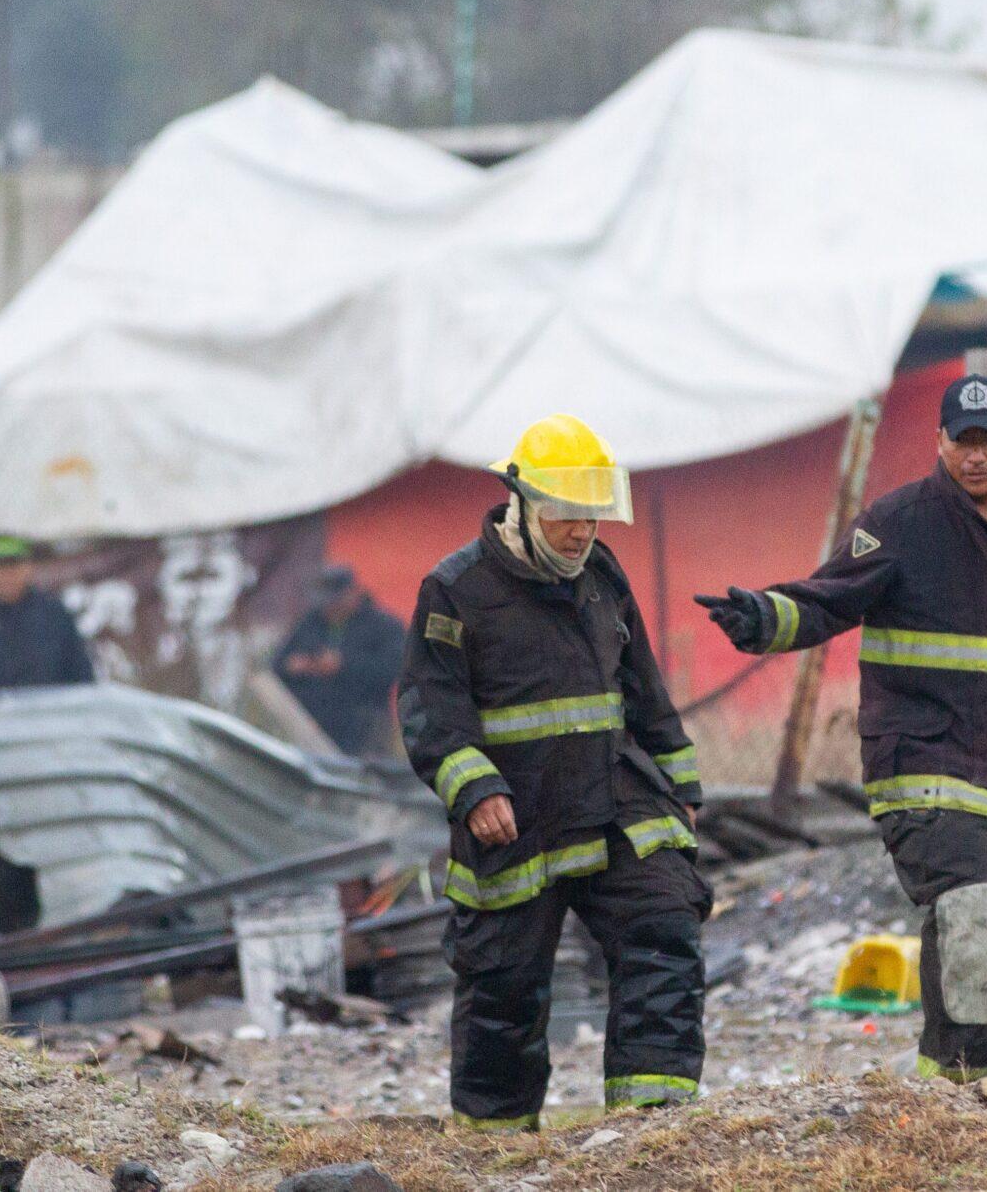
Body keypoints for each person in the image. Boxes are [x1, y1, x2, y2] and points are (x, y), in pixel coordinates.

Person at [698, 374, 987, 1085]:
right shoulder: (901, 522)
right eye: (961, 441)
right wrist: (764, 617)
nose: (975, 456)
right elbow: (828, 597)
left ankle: (956, 1088)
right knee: (975, 906)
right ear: (939, 442)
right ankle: (975, 1079)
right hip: (921, 762)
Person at [399, 415, 706, 1130]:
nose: (581, 531)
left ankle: (650, 1128)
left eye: (592, 513)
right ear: (522, 503)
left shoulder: (601, 575)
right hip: (517, 815)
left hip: (613, 800)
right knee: (504, 992)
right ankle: (495, 1152)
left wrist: (679, 784)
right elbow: (428, 708)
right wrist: (473, 786)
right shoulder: (456, 589)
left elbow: (646, 689)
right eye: (565, 512)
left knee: (664, 926)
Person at [275, 564, 408, 757]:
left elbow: (392, 670)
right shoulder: (310, 623)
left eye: (335, 601)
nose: (330, 608)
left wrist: (343, 666)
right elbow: (277, 664)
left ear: (353, 593)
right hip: (308, 728)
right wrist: (295, 666)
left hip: (364, 728)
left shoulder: (385, 627)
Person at [0, 533, 96, 700]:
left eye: (13, 566)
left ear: (28, 567)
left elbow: (82, 679)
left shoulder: (55, 615)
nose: (7, 575)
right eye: (0, 567)